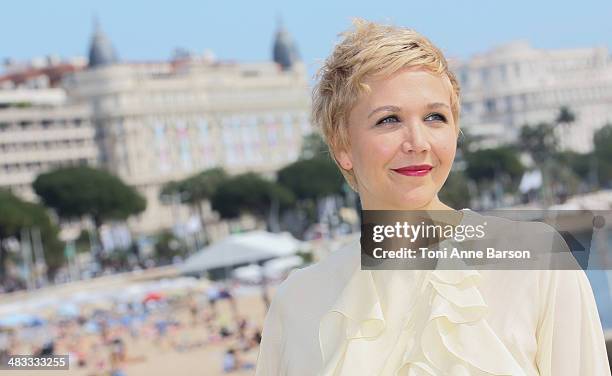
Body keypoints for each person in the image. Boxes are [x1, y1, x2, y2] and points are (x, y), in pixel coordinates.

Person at [255, 19, 610, 375]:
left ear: (455, 130)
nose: (418, 143)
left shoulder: (539, 263)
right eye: (389, 120)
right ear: (342, 145)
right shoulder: (298, 302)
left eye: (435, 117)